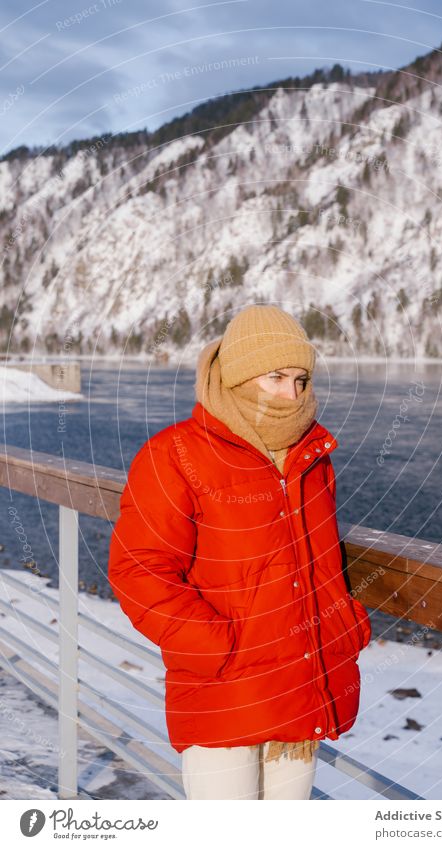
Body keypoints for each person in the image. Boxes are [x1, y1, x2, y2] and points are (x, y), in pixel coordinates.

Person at [108, 304, 372, 800]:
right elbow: (139, 569)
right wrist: (217, 646)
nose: (290, 394)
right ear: (238, 376)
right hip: (223, 692)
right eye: (275, 376)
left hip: (302, 684)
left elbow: (320, 566)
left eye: (299, 379)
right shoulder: (175, 455)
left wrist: (343, 622)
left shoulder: (311, 458)